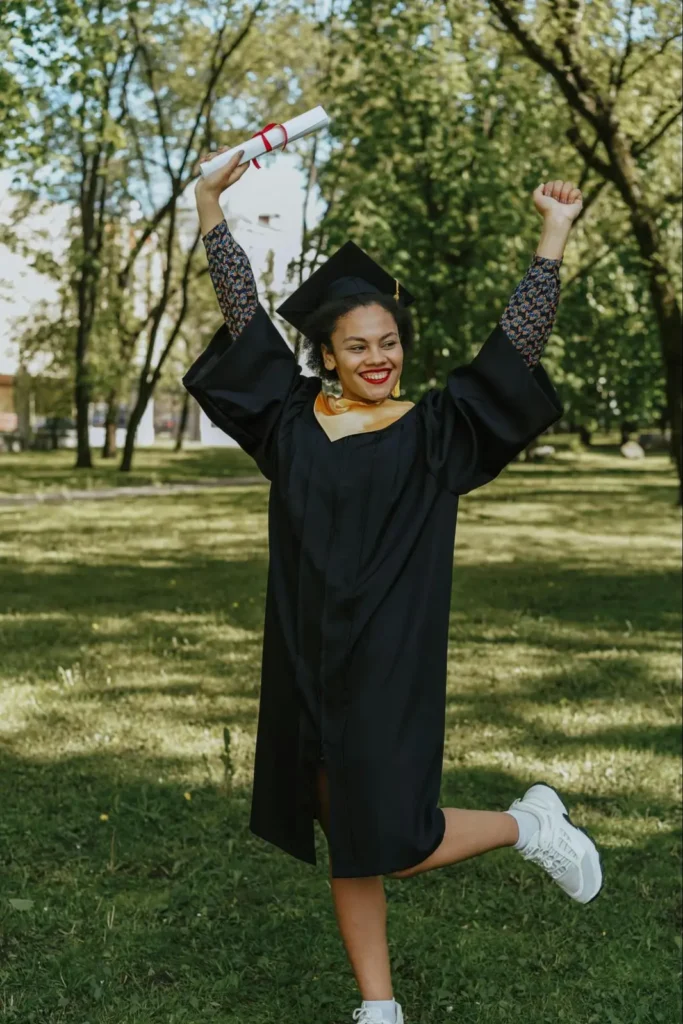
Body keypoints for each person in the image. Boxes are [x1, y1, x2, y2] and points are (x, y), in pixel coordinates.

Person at [184, 149, 603, 1024]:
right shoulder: (287, 422)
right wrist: (209, 207)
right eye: (356, 347)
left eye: (389, 343)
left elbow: (512, 350)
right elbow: (243, 312)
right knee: (346, 834)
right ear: (327, 356)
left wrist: (551, 237)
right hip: (305, 659)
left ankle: (528, 825)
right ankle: (378, 1008)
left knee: (400, 839)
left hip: (386, 658)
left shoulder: (435, 435)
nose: (378, 359)